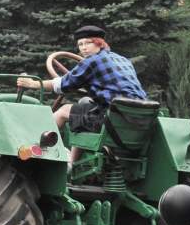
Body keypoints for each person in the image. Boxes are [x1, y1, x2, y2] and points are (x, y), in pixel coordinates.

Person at [16, 25, 146, 157]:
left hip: (112, 119)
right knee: (84, 103)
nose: (84, 48)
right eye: (80, 44)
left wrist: (32, 84)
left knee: (63, 111)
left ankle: (33, 150)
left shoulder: (92, 61)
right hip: (139, 118)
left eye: (88, 43)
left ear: (99, 43)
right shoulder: (123, 60)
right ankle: (72, 163)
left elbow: (62, 85)